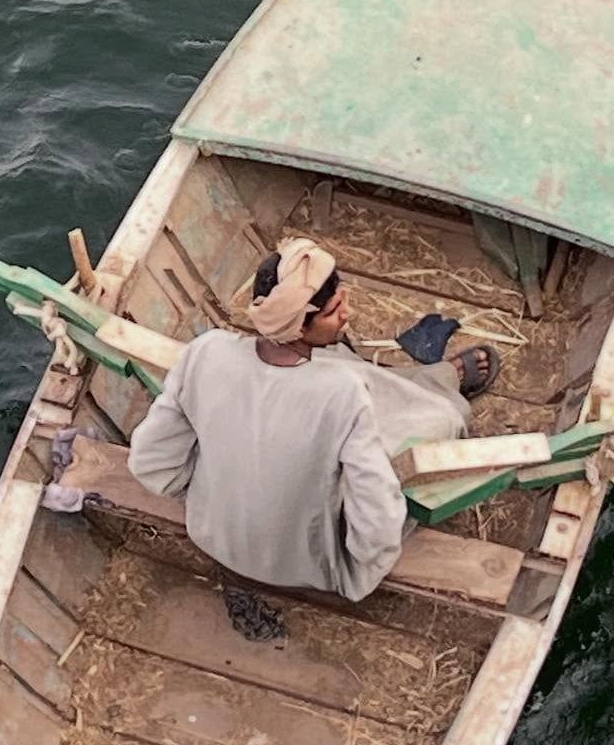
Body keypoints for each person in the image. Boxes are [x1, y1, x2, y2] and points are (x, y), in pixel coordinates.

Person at [127, 237, 498, 601]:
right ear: (300, 324)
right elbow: (377, 521)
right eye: (335, 310)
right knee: (441, 419)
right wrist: (358, 570)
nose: (347, 314)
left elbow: (150, 463)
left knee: (334, 370)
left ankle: (427, 378)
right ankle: (441, 382)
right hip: (307, 569)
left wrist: (221, 496)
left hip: (212, 538)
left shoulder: (207, 352)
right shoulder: (341, 392)